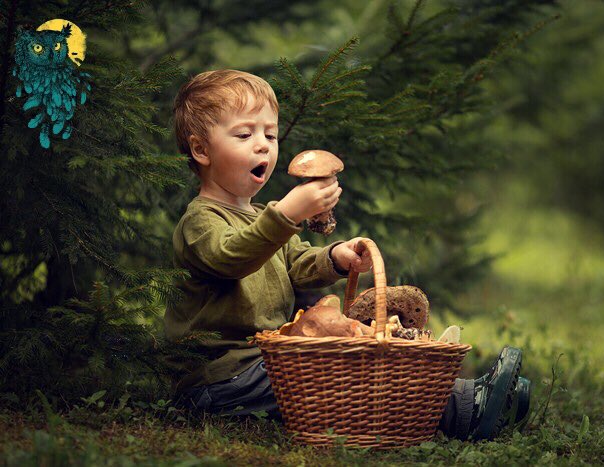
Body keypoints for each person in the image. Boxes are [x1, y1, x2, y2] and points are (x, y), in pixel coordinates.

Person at [166, 69, 530, 441]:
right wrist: (288, 213)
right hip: (220, 377)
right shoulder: (201, 221)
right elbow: (233, 258)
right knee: (340, 378)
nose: (263, 145)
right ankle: (466, 407)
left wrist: (336, 258)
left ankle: (469, 398)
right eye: (244, 134)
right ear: (201, 150)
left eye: (270, 135)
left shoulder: (263, 216)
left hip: (265, 364)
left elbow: (296, 265)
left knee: (345, 367)